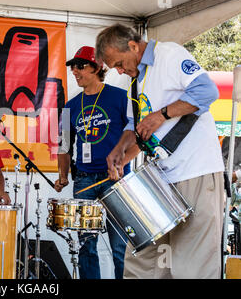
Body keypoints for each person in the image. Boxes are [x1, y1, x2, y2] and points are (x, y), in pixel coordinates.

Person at [95, 23, 225, 279]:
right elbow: (136, 127)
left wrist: (162, 115)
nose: (120, 70)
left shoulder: (170, 55)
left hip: (195, 169)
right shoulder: (135, 81)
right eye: (115, 68)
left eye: (120, 63)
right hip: (161, 178)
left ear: (133, 46)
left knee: (192, 261)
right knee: (143, 258)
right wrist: (121, 151)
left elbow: (207, 91)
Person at [54, 46, 138, 279]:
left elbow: (135, 134)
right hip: (85, 180)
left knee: (120, 246)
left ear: (97, 67)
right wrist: (62, 175)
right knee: (85, 245)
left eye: (80, 66)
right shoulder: (70, 106)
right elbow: (64, 145)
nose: (75, 71)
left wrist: (122, 164)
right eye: (73, 67)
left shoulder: (121, 97)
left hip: (117, 180)